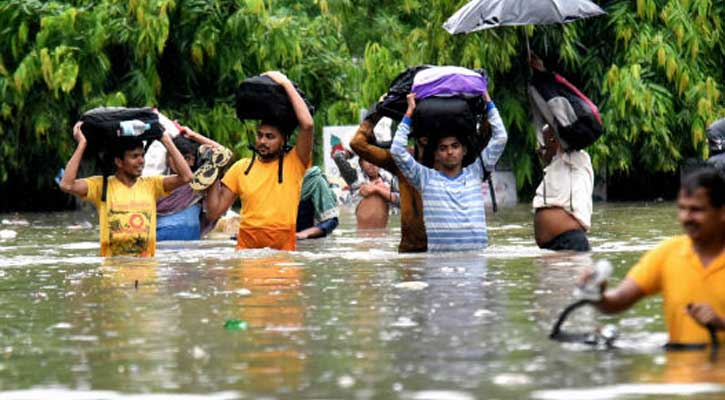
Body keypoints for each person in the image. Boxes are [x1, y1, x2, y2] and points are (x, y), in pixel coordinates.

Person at [583, 168, 725, 345]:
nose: (686, 217)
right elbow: (617, 301)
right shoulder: (667, 253)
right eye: (682, 208)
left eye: (696, 210)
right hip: (678, 369)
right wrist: (597, 293)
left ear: (721, 212)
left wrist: (721, 323)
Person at [206, 70, 313, 251]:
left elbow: (308, 124)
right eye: (260, 135)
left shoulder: (295, 162)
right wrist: (212, 174)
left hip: (283, 260)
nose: (262, 141)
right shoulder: (240, 168)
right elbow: (213, 212)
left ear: (283, 140)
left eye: (270, 137)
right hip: (248, 256)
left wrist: (285, 83)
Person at [390, 91, 508, 252]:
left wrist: (487, 99)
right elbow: (397, 151)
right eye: (443, 148)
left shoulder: (476, 172)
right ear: (436, 154)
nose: (450, 152)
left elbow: (501, 138)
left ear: (464, 150)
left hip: (476, 265)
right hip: (439, 268)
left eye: (455, 146)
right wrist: (409, 112)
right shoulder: (425, 178)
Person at [59, 122, 193, 257]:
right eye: (135, 156)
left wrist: (166, 140)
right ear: (119, 162)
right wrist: (82, 144)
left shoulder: (152, 184)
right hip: (113, 272)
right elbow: (66, 185)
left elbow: (187, 177)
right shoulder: (101, 185)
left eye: (142, 155)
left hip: (146, 271)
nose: (141, 161)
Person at [350, 109, 428, 251]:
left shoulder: (441, 168)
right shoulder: (400, 170)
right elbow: (356, 145)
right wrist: (377, 112)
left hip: (430, 248)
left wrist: (378, 189)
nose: (371, 164)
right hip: (409, 247)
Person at [156, 127, 231, 241]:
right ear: (168, 157)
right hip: (161, 237)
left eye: (188, 158)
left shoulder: (200, 182)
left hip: (191, 240)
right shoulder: (158, 181)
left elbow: (224, 154)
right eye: (178, 157)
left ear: (193, 160)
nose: (185, 162)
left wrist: (194, 136)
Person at [532, 123, 594, 252]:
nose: (540, 150)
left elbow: (555, 130)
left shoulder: (578, 159)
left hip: (569, 242)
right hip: (554, 246)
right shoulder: (556, 169)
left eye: (545, 145)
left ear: (556, 141)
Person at [296, 166, 339, 239]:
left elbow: (332, 221)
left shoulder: (315, 181)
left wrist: (305, 233)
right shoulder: (272, 179)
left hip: (307, 243)